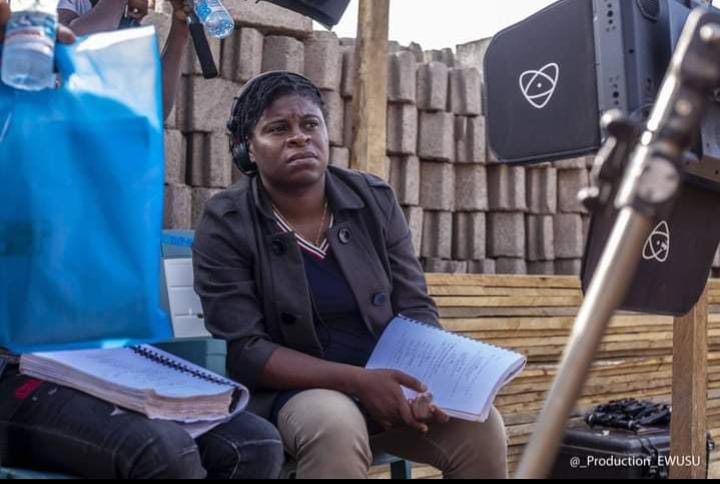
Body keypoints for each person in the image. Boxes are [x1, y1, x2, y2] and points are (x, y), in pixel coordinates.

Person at [0, 3, 284, 478]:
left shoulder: (81, 185)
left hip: (91, 361)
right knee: (161, 451)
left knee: (254, 444)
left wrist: (179, 29)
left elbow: (146, 108)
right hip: (13, 371)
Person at [192, 70, 509, 479]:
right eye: (278, 129)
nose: (299, 137)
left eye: (310, 124)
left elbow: (414, 305)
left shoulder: (372, 200)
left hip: (385, 384)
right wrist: (360, 382)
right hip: (292, 394)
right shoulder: (227, 221)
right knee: (336, 425)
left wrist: (423, 384)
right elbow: (246, 350)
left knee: (482, 427)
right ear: (247, 150)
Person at [57, 0, 190, 120]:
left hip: (105, 135)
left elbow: (154, 110)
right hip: (59, 129)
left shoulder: (128, 15)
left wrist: (179, 27)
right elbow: (68, 44)